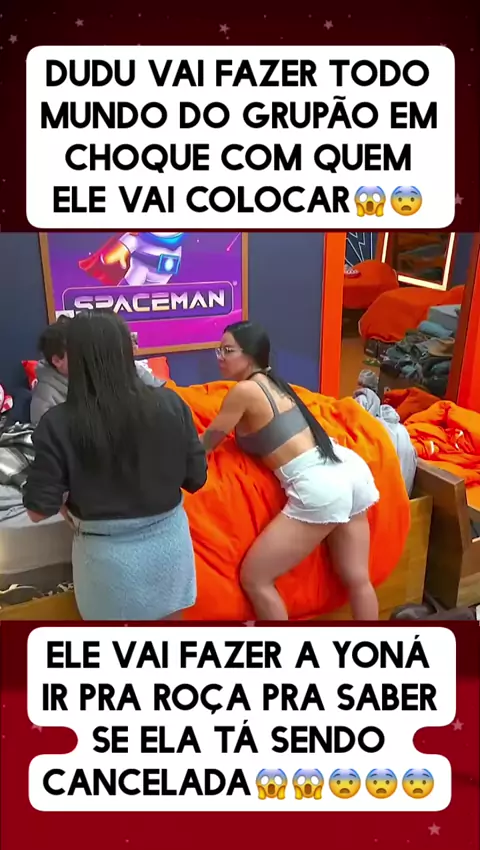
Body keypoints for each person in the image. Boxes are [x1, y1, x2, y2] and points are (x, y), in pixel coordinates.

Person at [23, 312, 207, 620]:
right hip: (170, 555)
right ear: (126, 351)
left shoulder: (56, 423)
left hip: (106, 565)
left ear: (75, 358)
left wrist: (67, 501)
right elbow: (196, 478)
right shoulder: (171, 404)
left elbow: (38, 510)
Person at [201, 321, 380, 621]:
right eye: (218, 350)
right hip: (347, 467)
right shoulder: (277, 383)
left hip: (320, 483)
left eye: (228, 350)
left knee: (255, 578)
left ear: (250, 354)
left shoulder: (244, 391)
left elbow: (205, 445)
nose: (220, 357)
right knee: (358, 579)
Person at [31, 316, 165, 426]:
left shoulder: (106, 368)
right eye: (78, 351)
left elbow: (160, 394)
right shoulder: (46, 398)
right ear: (57, 361)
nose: (88, 355)